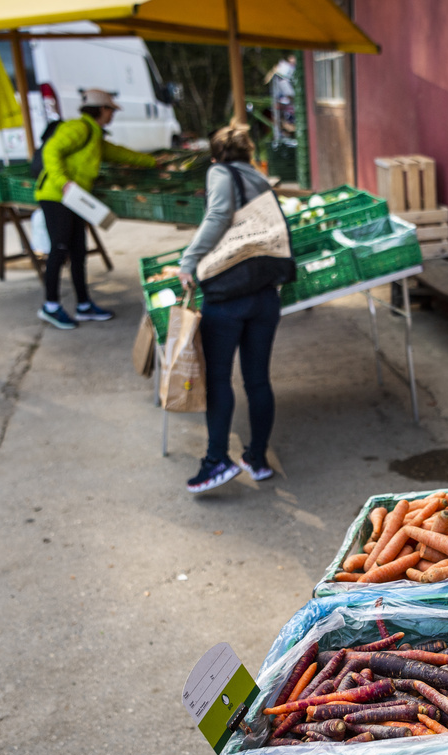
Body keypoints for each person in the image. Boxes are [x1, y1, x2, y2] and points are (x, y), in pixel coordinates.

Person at [178, 125, 282, 494]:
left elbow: (219, 214)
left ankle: (216, 460)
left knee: (219, 379)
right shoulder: (260, 177)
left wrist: (188, 260)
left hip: (228, 296)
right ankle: (256, 458)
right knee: (257, 380)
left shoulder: (219, 173)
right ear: (248, 152)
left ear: (215, 154)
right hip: (265, 295)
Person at [33, 89, 157, 329]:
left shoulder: (95, 136)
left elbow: (118, 153)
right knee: (59, 251)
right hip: (56, 197)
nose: (112, 114)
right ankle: (50, 306)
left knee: (79, 252)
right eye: (110, 109)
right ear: (101, 109)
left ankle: (83, 305)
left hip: (75, 200)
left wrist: (152, 161)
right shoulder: (78, 128)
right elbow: (51, 150)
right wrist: (64, 182)